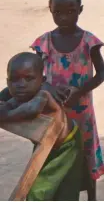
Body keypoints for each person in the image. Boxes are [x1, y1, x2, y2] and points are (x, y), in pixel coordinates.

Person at [28, 0, 104, 201]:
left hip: (82, 115)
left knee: (86, 155)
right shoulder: (43, 43)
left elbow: (101, 74)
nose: (64, 17)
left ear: (80, 10)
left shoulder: (88, 42)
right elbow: (35, 77)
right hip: (54, 114)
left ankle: (92, 197)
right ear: (50, 9)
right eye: (58, 12)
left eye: (71, 11)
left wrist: (79, 91)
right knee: (53, 155)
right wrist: (49, 87)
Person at [0, 52, 84, 201]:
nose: (21, 84)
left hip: (66, 147)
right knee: (56, 187)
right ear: (7, 81)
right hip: (45, 142)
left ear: (42, 80)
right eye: (14, 79)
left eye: (29, 78)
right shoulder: (14, 93)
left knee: (39, 192)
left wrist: (6, 112)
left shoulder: (43, 95)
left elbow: (30, 109)